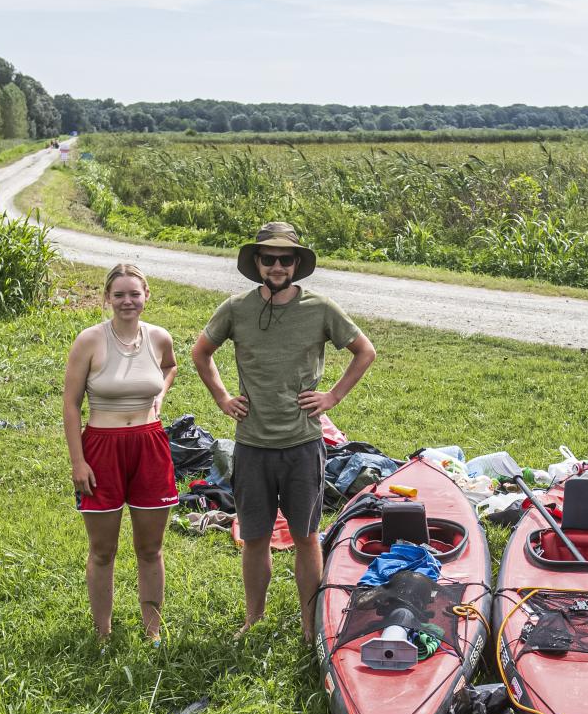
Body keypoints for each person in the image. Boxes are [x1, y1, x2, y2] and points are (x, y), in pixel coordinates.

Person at [190, 222, 376, 643]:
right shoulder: (236, 308)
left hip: (302, 444)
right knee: (254, 538)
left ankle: (311, 628)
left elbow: (365, 351)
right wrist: (222, 399)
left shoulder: (321, 308)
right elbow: (201, 352)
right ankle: (252, 620)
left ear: (297, 264)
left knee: (307, 538)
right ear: (257, 263)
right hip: (252, 445)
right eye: (268, 258)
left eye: (285, 258)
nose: (276, 265)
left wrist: (332, 397)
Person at [63, 263, 179, 644]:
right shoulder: (89, 341)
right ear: (107, 298)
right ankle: (103, 634)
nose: (127, 301)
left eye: (134, 293)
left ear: (146, 295)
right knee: (102, 551)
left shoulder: (159, 338)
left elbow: (171, 367)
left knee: (150, 548)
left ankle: (153, 632)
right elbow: (71, 404)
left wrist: (160, 394)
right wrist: (78, 461)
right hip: (102, 447)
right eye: (119, 294)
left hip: (149, 445)